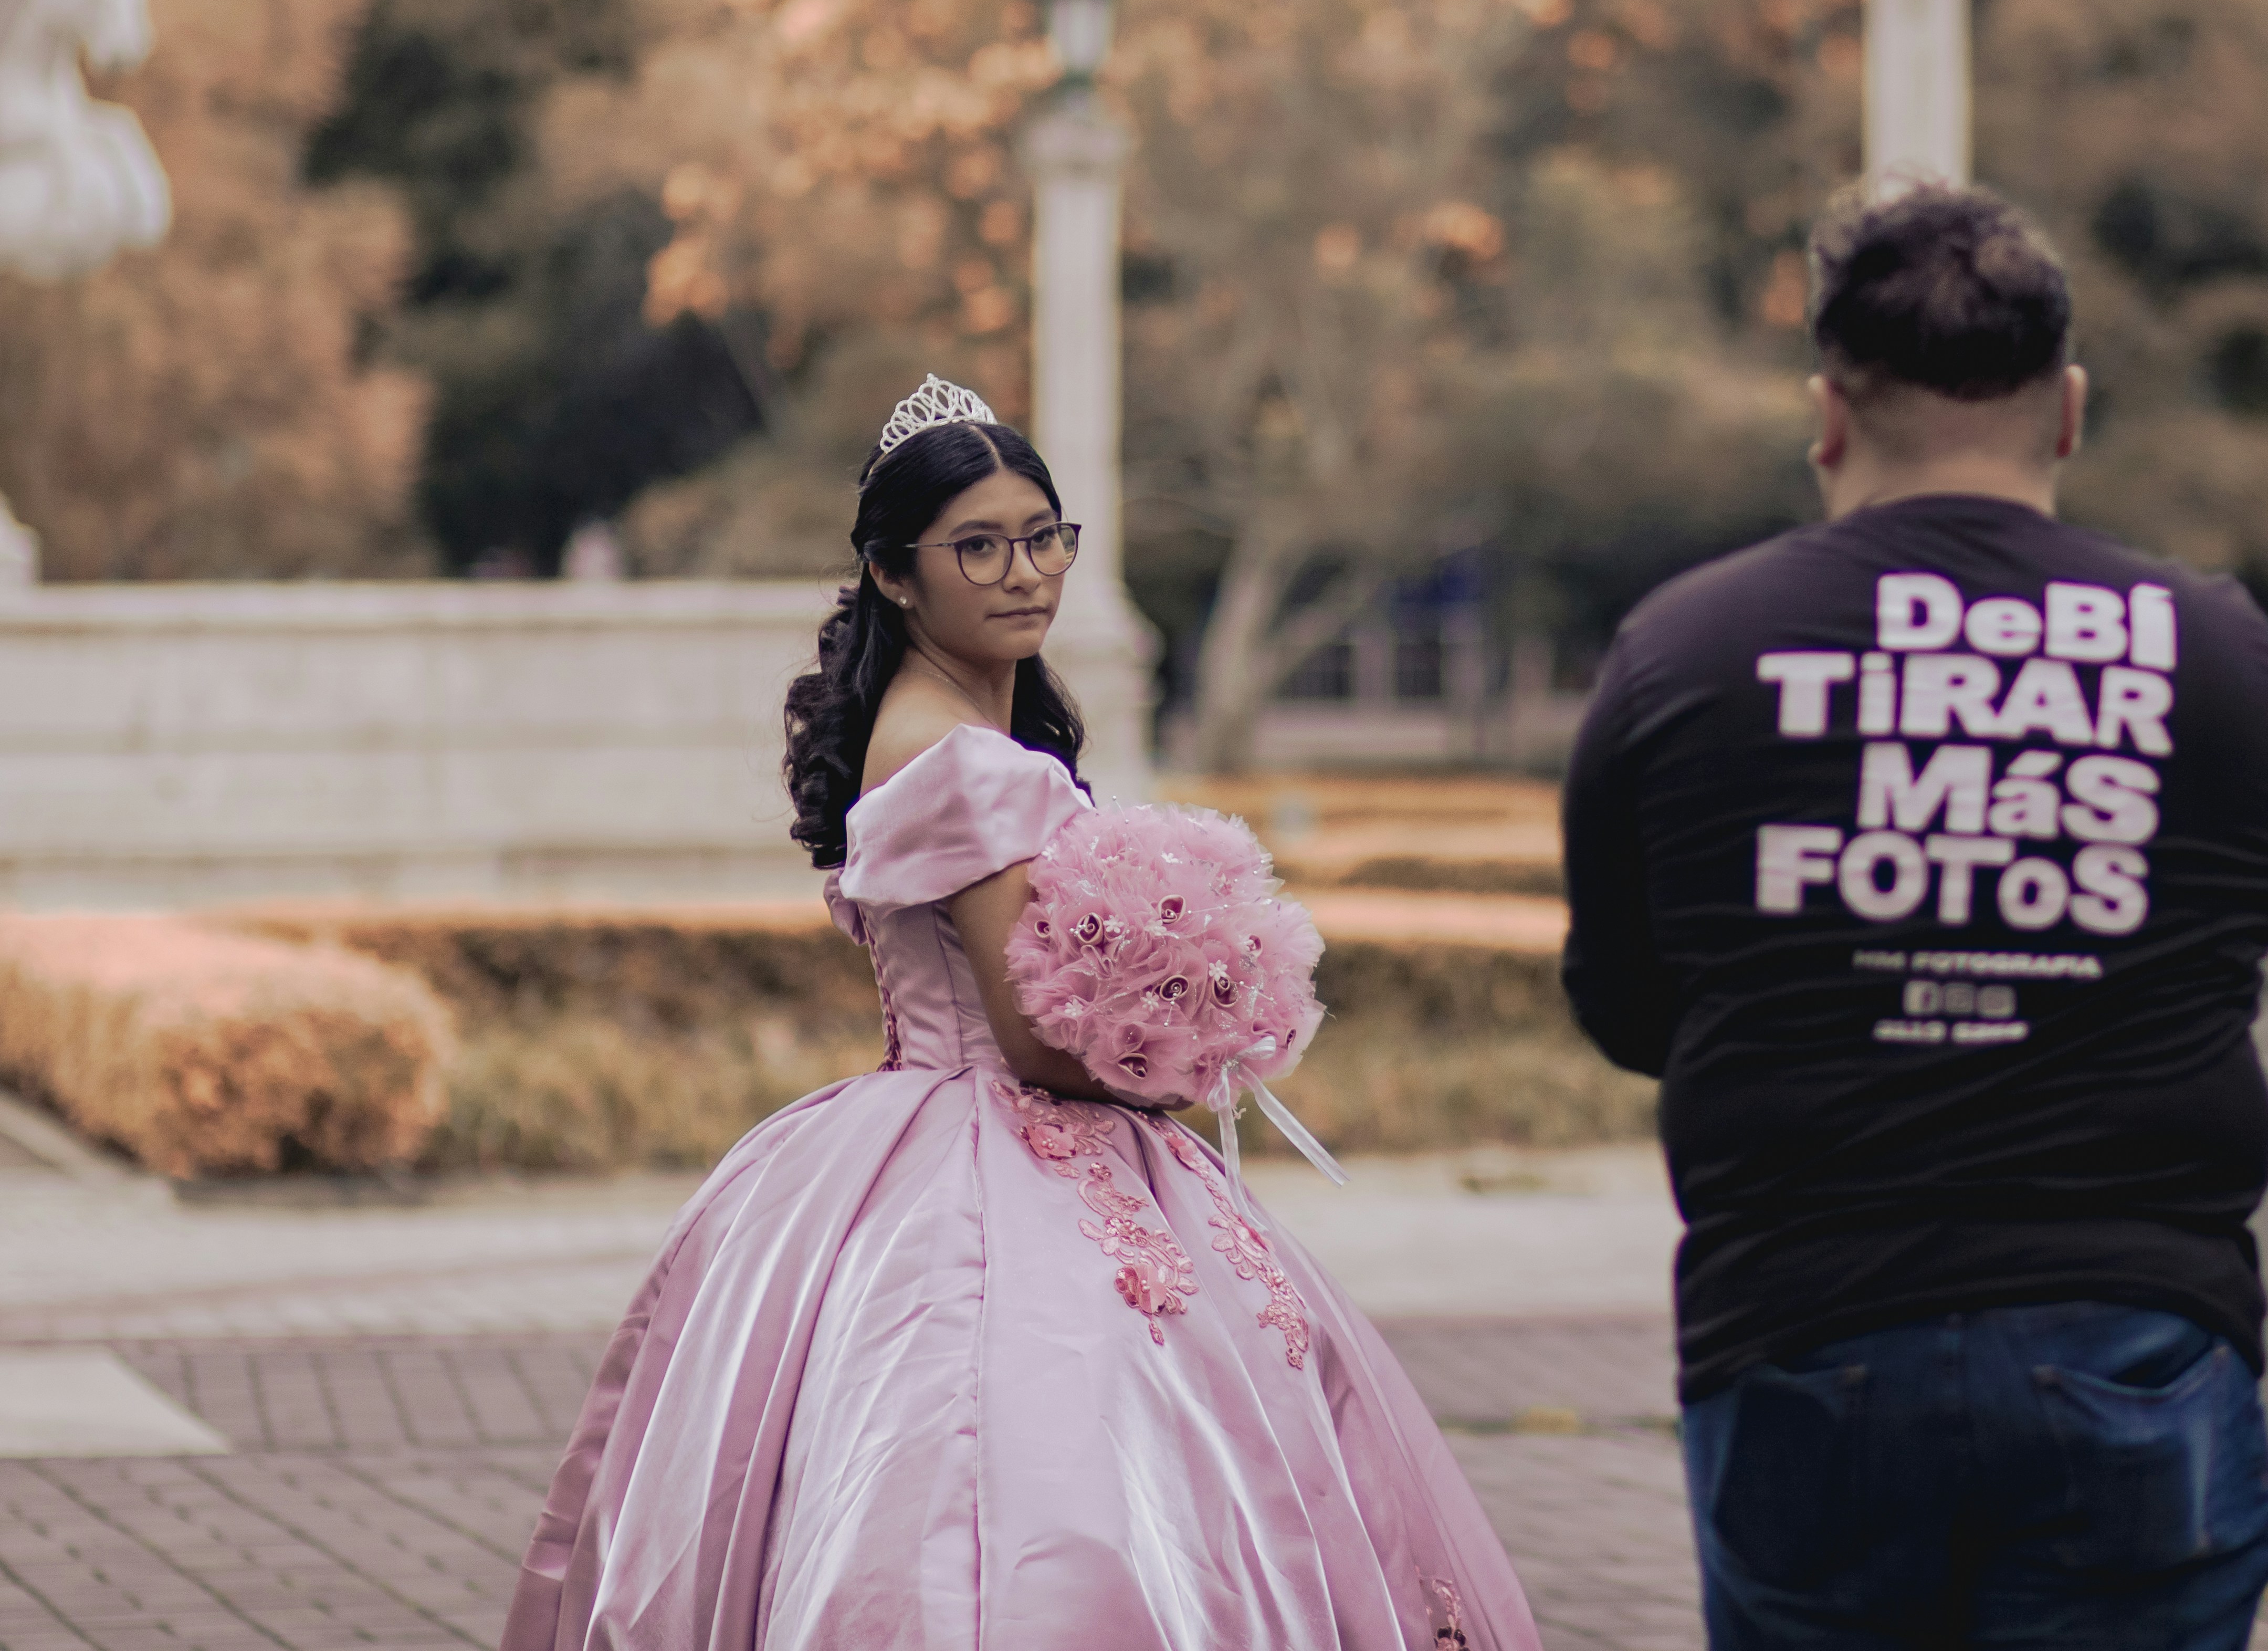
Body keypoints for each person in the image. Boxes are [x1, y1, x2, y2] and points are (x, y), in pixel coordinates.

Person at [501, 374, 1536, 1651]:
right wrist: (1179, 1043)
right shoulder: (968, 763)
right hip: (998, 1147)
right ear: (893, 573)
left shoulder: (942, 727)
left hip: (920, 1129)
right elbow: (1038, 1034)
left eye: (1044, 537)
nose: (1023, 572)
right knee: (1037, 1464)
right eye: (978, 546)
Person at [1559, 187, 2268, 1651]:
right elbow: (2225, 937)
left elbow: (1628, 1000)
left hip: (1803, 1328)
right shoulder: (2219, 651)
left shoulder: (1686, 647)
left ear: (1825, 414)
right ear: (2069, 409)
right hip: (2137, 1337)